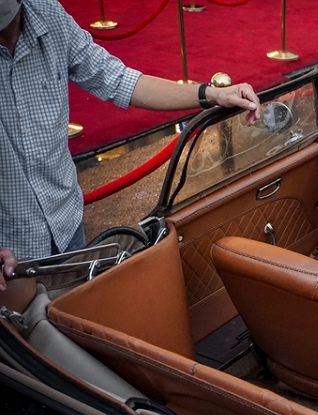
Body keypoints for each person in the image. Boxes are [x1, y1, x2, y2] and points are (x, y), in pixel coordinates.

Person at [0, 0, 261, 260]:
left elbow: (119, 79)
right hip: (10, 245)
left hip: (66, 224)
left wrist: (212, 94)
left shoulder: (48, 15)